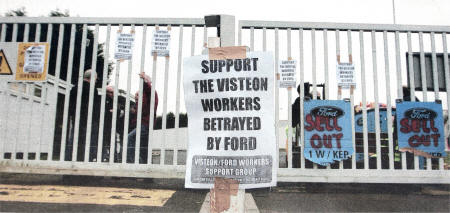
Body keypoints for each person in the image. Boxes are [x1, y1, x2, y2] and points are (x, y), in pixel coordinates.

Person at [66, 69, 102, 161]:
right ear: (92, 78)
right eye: (96, 79)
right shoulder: (92, 89)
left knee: (73, 144)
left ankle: (69, 164)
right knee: (89, 145)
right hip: (89, 121)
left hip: (77, 120)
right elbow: (95, 108)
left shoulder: (74, 88)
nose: (96, 81)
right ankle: (86, 164)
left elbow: (70, 106)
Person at [126, 72, 158, 163]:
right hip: (144, 124)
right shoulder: (145, 95)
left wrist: (144, 80)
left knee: (130, 138)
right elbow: (141, 110)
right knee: (143, 148)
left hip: (145, 124)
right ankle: (146, 169)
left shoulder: (151, 92)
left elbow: (148, 89)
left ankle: (132, 163)